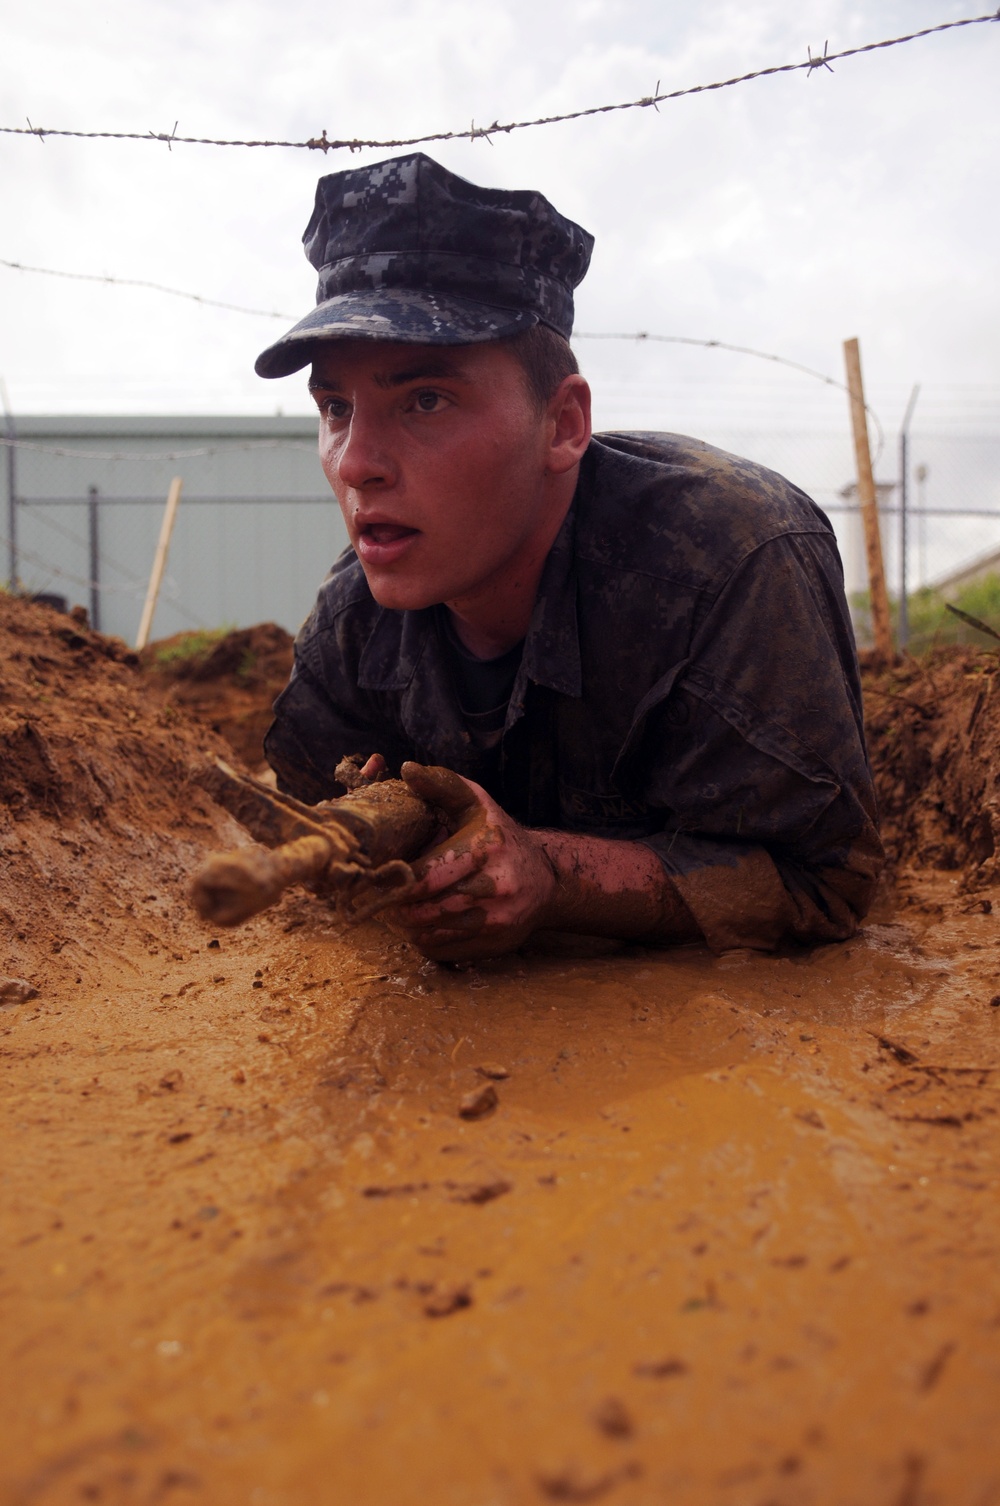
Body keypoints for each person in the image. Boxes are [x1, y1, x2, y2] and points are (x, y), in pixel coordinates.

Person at [256, 152, 883, 962]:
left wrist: (553, 873)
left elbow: (826, 878)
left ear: (562, 425)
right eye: (336, 408)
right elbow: (311, 847)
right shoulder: (354, 623)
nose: (354, 462)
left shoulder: (730, 563)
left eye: (425, 400)